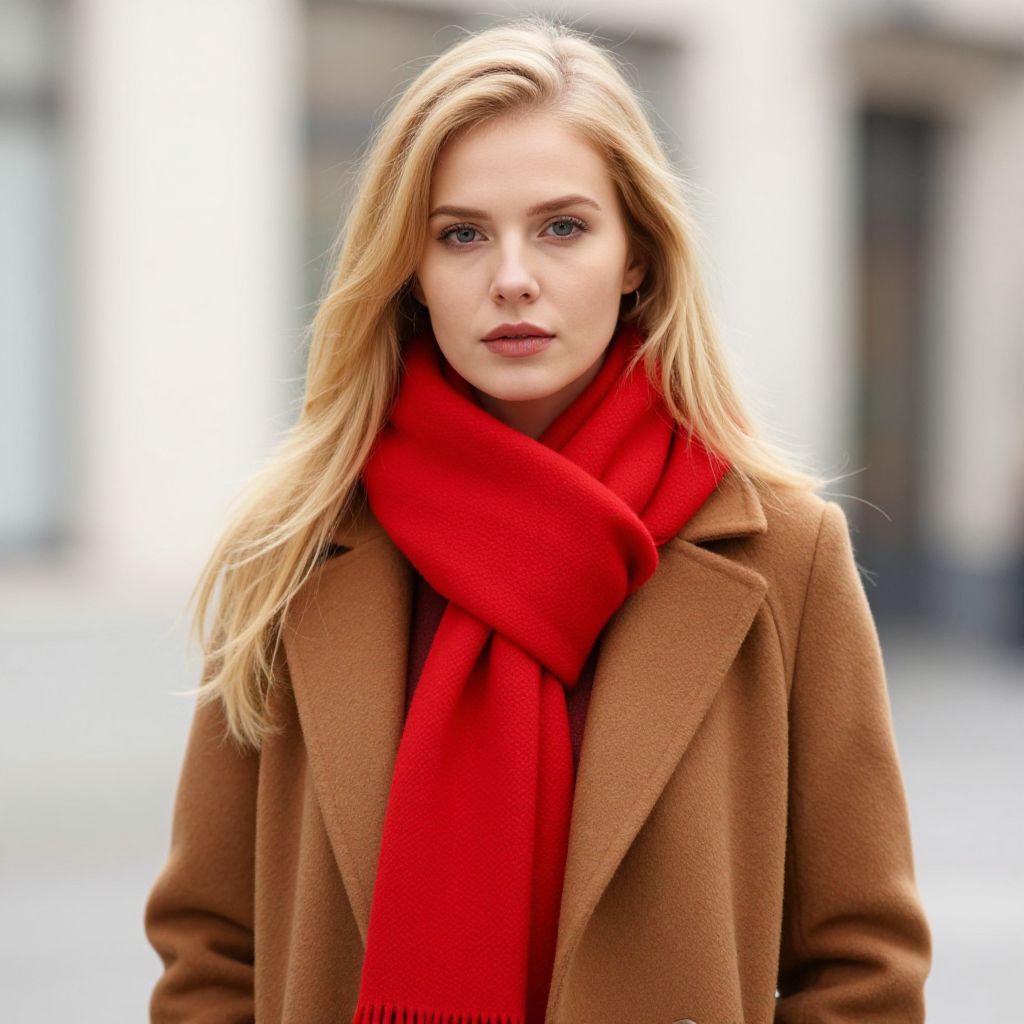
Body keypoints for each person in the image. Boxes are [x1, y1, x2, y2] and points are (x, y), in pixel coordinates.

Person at [143, 15, 932, 1024]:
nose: (511, 275)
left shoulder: (783, 552)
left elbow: (863, 962)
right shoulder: (294, 543)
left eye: (561, 227)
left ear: (637, 254)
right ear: (411, 271)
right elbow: (210, 947)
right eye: (461, 233)